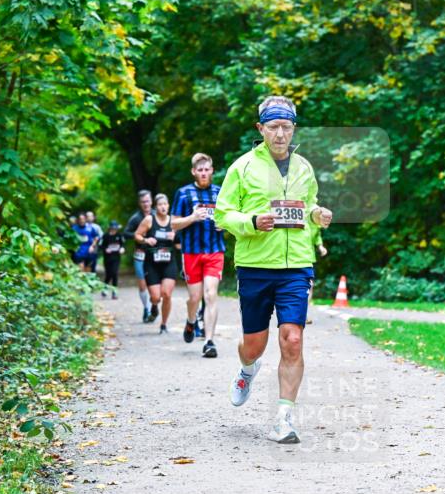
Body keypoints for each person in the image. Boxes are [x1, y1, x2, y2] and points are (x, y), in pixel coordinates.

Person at [214, 95, 333, 444]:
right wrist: (251, 220)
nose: (280, 133)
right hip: (255, 266)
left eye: (286, 126)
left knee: (292, 339)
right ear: (260, 129)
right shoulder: (243, 167)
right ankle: (248, 369)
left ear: (293, 128)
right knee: (253, 345)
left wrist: (317, 215)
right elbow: (223, 214)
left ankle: (284, 418)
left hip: (296, 265)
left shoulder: (304, 168)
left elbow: (308, 207)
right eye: (273, 127)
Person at [171, 152, 224, 358]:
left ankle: (209, 341)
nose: (203, 173)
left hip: (214, 250)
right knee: (194, 297)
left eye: (206, 169)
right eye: (199, 170)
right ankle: (191, 321)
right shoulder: (183, 193)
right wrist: (192, 217)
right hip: (191, 252)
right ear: (194, 172)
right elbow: (173, 223)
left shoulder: (220, 192)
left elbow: (229, 218)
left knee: (210, 295)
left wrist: (224, 225)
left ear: (212, 170)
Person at [134, 193, 178, 333]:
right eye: (160, 205)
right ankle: (153, 306)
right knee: (155, 296)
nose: (163, 207)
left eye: (165, 204)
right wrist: (146, 240)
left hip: (169, 263)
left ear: (168, 205)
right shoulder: (149, 220)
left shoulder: (174, 221)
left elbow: (180, 243)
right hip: (151, 263)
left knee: (167, 294)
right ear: (155, 207)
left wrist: (176, 237)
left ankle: (164, 325)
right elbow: (137, 235)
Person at [126, 191, 155, 321]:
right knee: (142, 284)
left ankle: (154, 305)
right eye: (143, 202)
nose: (146, 204)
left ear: (151, 201)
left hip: (156, 254)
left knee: (155, 284)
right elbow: (125, 233)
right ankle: (146, 309)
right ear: (140, 203)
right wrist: (139, 236)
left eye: (147, 201)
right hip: (140, 254)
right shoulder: (136, 218)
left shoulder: (157, 215)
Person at [305, 228, 327, 324]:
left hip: (308, 260)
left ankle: (303, 314)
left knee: (309, 287)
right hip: (293, 259)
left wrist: (320, 246)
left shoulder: (316, 224)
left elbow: (316, 235)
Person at [100, 221, 126, 299]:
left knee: (114, 273)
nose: (114, 230)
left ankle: (114, 292)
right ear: (110, 228)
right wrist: (105, 249)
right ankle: (105, 288)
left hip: (116, 258)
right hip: (107, 258)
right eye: (113, 228)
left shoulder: (120, 235)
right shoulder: (105, 236)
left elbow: (123, 244)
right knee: (108, 274)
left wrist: (122, 249)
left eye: (115, 228)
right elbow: (100, 245)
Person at [84, 211, 103, 275]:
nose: (89, 218)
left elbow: (101, 237)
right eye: (88, 216)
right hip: (83, 250)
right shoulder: (83, 226)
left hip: (94, 250)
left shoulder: (96, 227)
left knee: (92, 266)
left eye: (91, 216)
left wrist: (98, 245)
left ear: (93, 217)